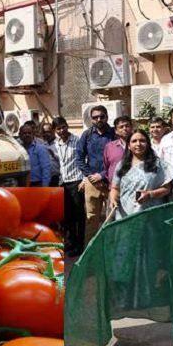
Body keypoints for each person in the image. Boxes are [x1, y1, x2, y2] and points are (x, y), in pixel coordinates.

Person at [109, 129, 173, 219]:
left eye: (142, 141)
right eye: (134, 141)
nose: (138, 144)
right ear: (128, 146)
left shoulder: (158, 164)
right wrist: (113, 199)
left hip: (150, 215)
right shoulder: (122, 165)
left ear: (148, 144)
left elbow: (167, 189)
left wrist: (150, 194)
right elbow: (115, 188)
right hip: (125, 215)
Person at [76, 105, 116, 245]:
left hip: (111, 183)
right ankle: (90, 252)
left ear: (106, 117)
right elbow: (79, 159)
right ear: (91, 119)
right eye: (95, 117)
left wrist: (102, 175)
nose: (99, 119)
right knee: (91, 219)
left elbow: (119, 159)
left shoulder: (114, 134)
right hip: (92, 183)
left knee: (111, 218)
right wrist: (91, 176)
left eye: (102, 116)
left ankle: (110, 249)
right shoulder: (86, 135)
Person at [52, 117, 86, 256]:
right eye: (58, 128)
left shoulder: (77, 141)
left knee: (79, 216)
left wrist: (84, 179)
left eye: (63, 127)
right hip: (63, 183)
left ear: (67, 126)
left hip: (77, 182)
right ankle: (71, 242)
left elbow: (85, 160)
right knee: (68, 216)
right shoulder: (56, 144)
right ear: (55, 131)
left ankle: (80, 245)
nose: (61, 131)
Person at [103, 116, 133, 193]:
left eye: (127, 126)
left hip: (134, 188)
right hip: (115, 188)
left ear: (131, 128)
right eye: (121, 127)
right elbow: (106, 167)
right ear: (116, 131)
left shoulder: (139, 145)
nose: (124, 129)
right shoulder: (109, 147)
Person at [41, 122, 61, 187]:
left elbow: (63, 160)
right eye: (44, 132)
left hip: (58, 179)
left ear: (53, 131)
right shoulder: (42, 145)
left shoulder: (60, 143)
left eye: (48, 132)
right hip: (46, 179)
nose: (46, 134)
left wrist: (53, 154)